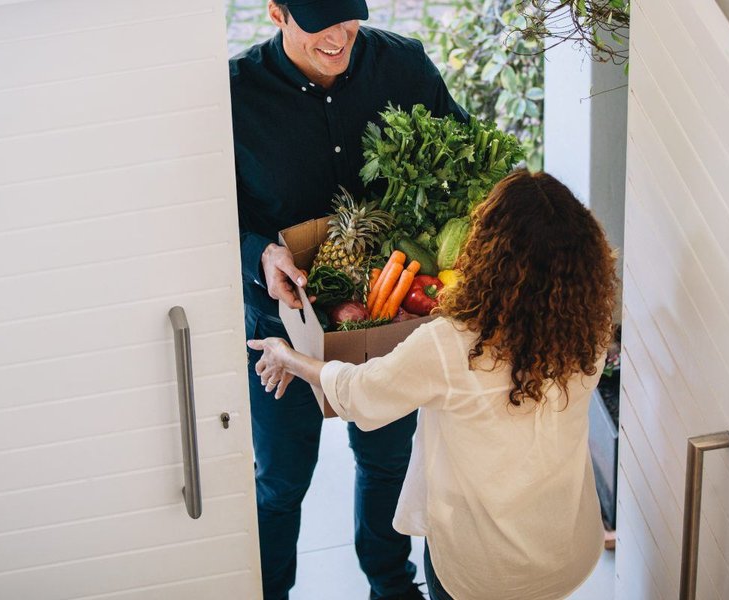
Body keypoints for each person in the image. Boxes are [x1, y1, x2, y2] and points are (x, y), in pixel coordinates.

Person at [249, 170, 619, 600]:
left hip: (484, 572)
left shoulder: (452, 344)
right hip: (567, 551)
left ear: (488, 254)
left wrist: (289, 355)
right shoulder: (588, 329)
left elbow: (359, 392)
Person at [230, 0, 467, 598]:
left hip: (390, 320)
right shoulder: (233, 95)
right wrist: (260, 252)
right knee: (280, 483)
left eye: (349, 15)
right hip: (279, 328)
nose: (339, 36)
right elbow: (205, 212)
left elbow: (466, 166)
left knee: (387, 463)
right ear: (277, 13)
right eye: (319, 21)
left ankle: (390, 585)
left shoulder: (404, 66)